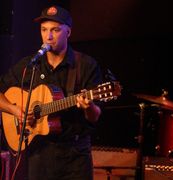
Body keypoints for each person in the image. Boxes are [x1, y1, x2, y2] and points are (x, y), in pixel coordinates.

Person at [0, 5, 102, 180]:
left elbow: (94, 116)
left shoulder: (85, 65)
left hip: (75, 156)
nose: (48, 36)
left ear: (68, 32)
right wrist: (16, 111)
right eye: (44, 30)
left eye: (55, 30)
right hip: (39, 154)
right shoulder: (30, 65)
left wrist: (88, 105)